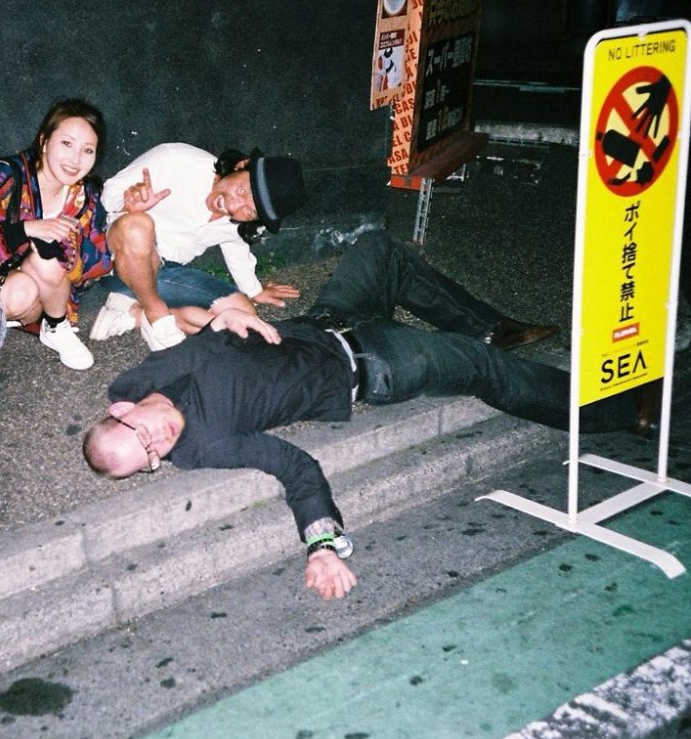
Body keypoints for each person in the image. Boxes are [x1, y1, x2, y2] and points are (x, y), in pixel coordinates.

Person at [80, 231, 657, 602]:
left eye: (142, 435)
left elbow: (191, 334)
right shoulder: (206, 444)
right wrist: (322, 545)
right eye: (151, 459)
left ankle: (486, 325)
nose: (160, 443)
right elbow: (295, 468)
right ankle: (621, 408)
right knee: (483, 370)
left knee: (380, 250)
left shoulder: (141, 381)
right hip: (374, 363)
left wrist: (222, 318)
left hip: (325, 321)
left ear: (122, 410)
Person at [0, 98, 112, 381]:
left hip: (46, 299)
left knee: (49, 258)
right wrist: (27, 230)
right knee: (21, 290)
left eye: (87, 150)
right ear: (45, 142)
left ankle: (56, 327)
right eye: (67, 144)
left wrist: (70, 246)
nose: (75, 160)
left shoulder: (84, 196)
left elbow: (100, 265)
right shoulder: (7, 175)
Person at [90, 143, 306, 351]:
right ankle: (156, 314)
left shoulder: (242, 221)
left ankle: (135, 313)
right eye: (242, 190)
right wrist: (128, 206)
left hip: (166, 273)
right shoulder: (175, 159)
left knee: (243, 316)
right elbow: (107, 196)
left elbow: (237, 249)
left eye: (250, 211)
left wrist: (254, 291)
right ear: (241, 165)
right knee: (137, 226)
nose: (233, 206)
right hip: (117, 260)